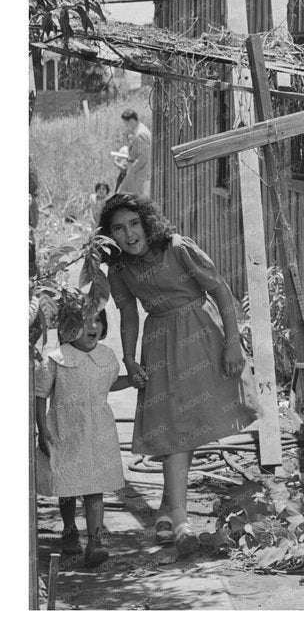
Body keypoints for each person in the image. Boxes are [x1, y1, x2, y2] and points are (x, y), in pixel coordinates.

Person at [99, 193, 258, 556]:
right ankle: (177, 517)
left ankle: (174, 515)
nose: (128, 234)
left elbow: (220, 290)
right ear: (109, 236)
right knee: (173, 427)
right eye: (118, 229)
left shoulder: (177, 248)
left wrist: (233, 344)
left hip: (201, 336)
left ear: (147, 222)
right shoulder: (120, 269)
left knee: (185, 426)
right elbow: (127, 315)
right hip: (159, 344)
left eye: (134, 224)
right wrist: (129, 359)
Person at [34, 310, 140, 569]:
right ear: (68, 327)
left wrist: (131, 381)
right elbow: (40, 394)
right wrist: (41, 428)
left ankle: (95, 541)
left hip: (98, 432)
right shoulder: (57, 359)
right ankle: (70, 529)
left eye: (97, 320)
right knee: (68, 486)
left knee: (95, 487)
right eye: (84, 322)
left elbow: (109, 383)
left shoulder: (106, 356)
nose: (93, 326)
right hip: (66, 431)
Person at [116, 110, 152, 197]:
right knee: (120, 198)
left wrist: (132, 171)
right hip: (136, 174)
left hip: (138, 175)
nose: (126, 126)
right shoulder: (140, 131)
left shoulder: (141, 134)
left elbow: (143, 158)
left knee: (135, 201)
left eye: (126, 124)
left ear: (131, 121)